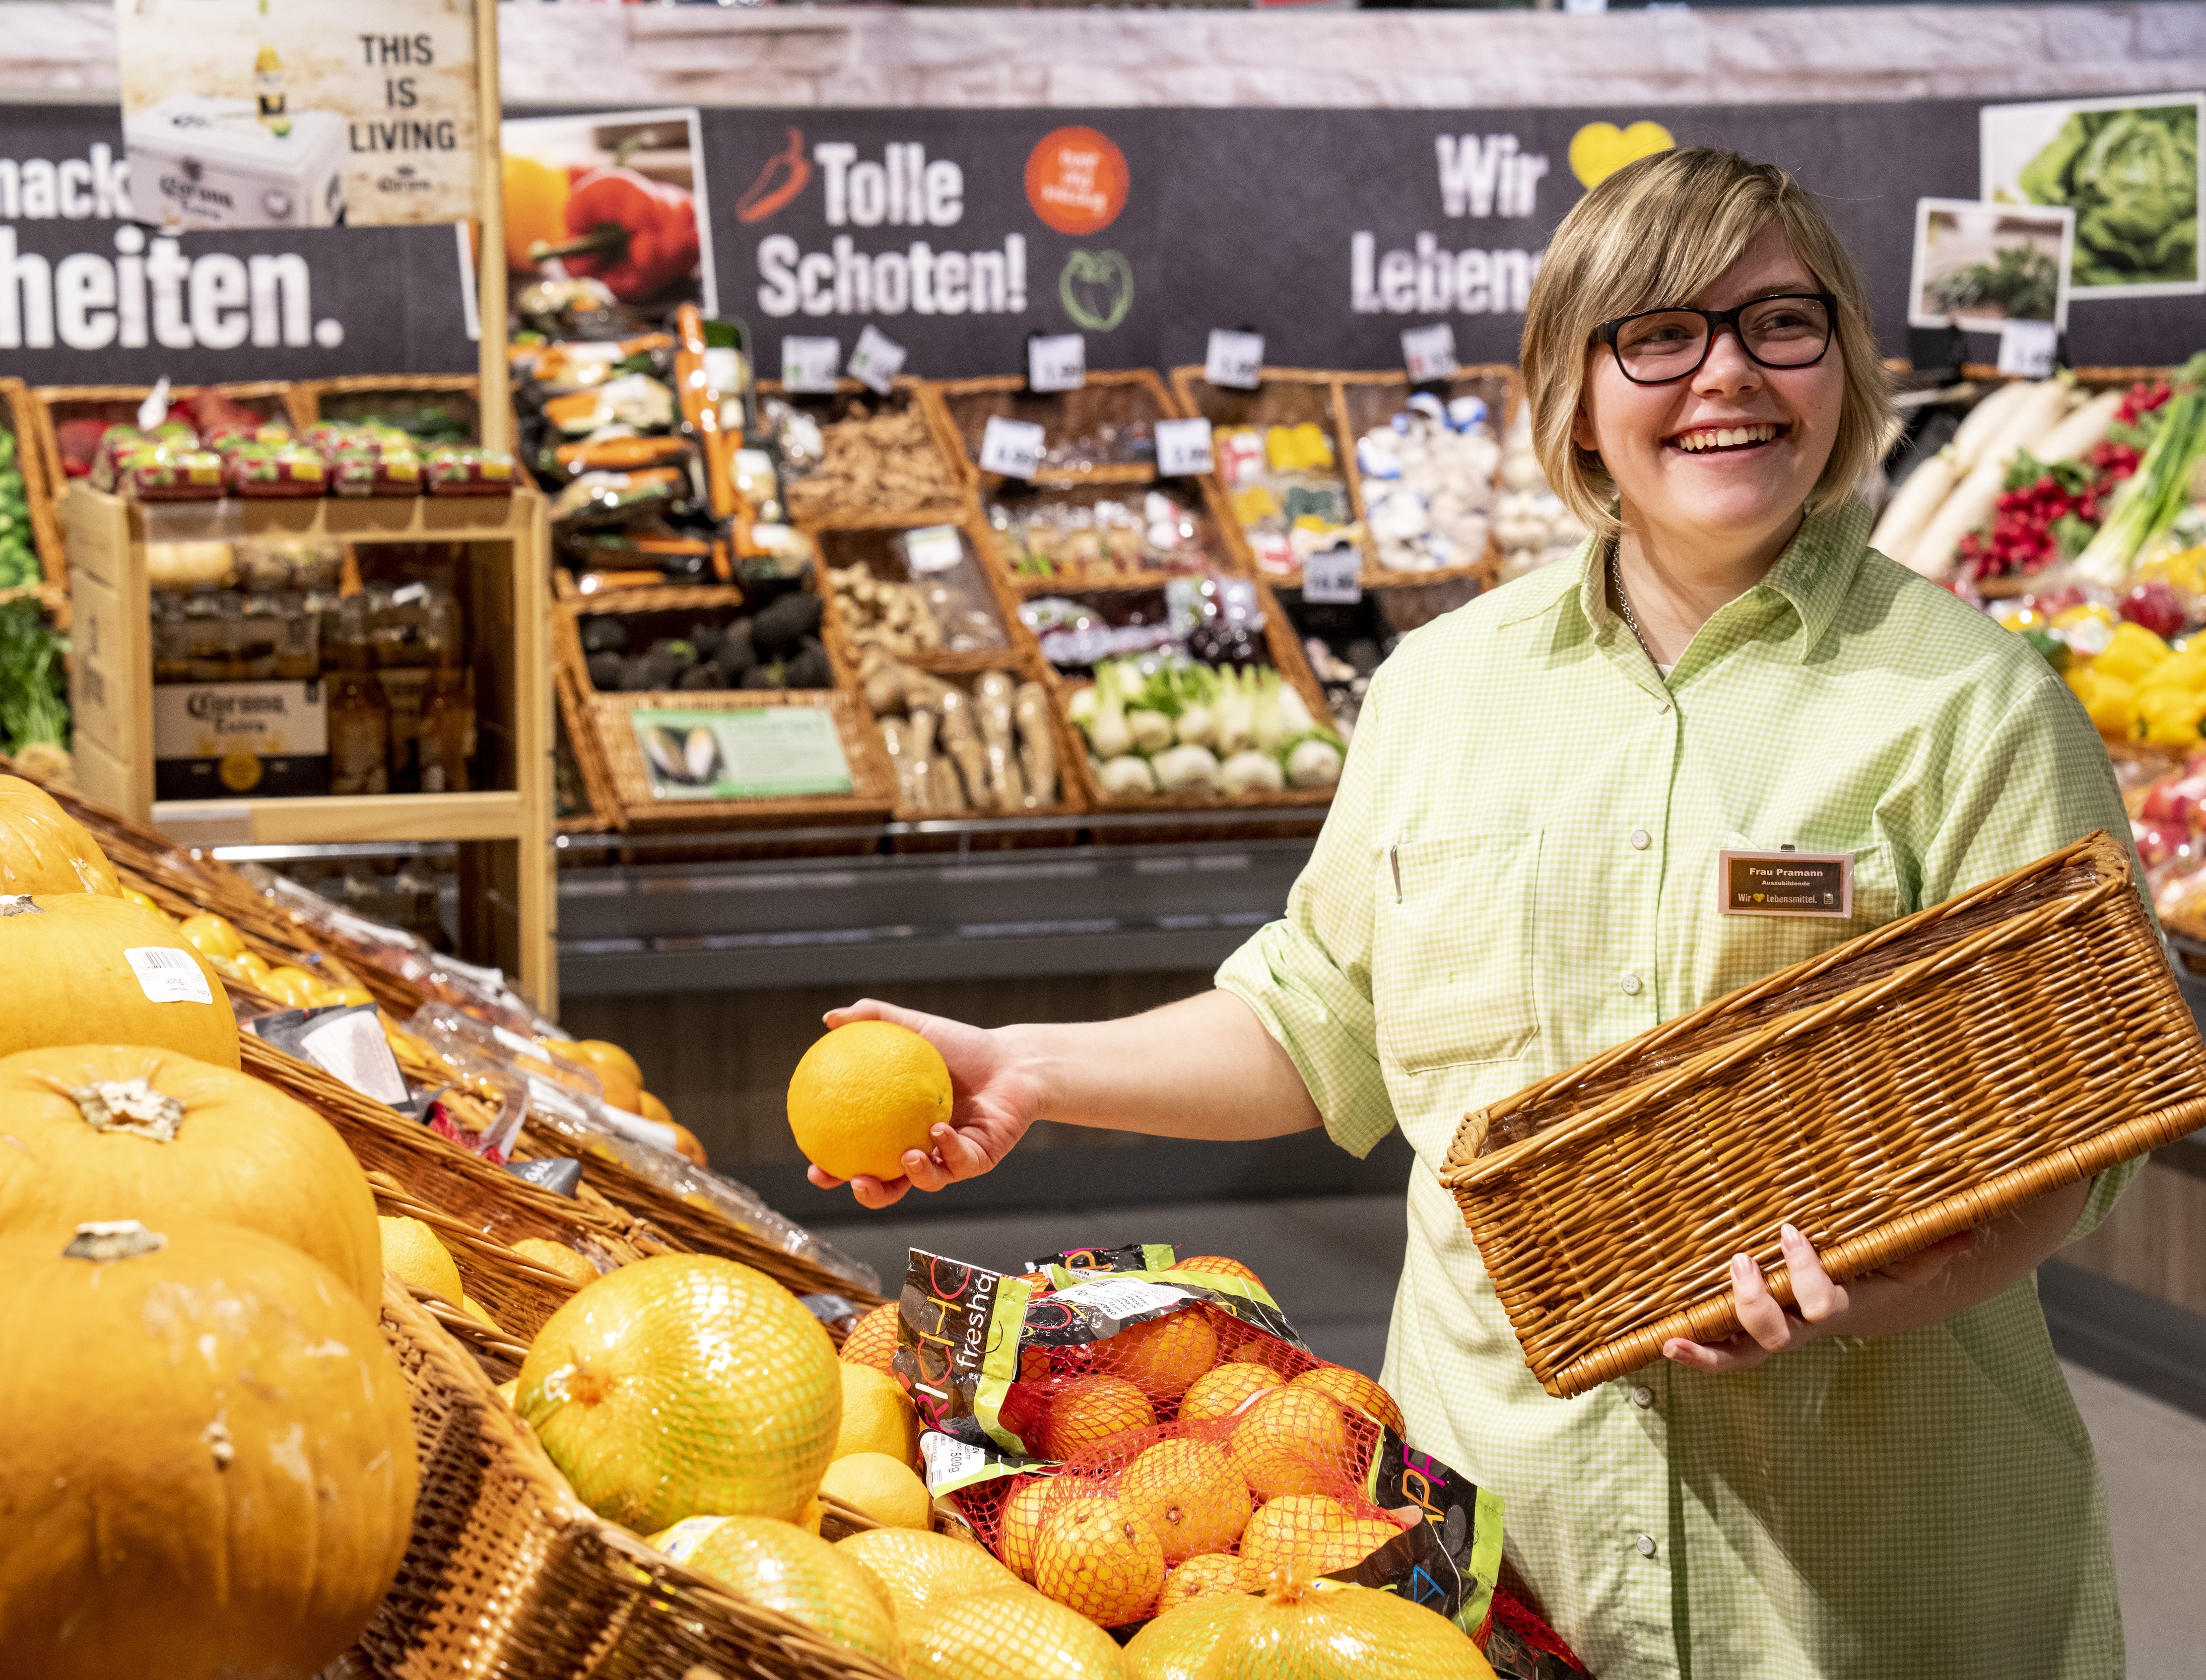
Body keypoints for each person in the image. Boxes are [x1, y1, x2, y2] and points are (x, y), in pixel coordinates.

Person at [815, 147, 2137, 1679]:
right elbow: (1319, 1019)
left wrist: (1873, 1296)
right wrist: (1030, 1068)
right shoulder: (1446, 692)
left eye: (1783, 324)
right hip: (1509, 1551)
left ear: (1841, 360)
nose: (1729, 376)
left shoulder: (1973, 710)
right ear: (1573, 390)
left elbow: (2075, 1133)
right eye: (1660, 332)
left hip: (1866, 1569)